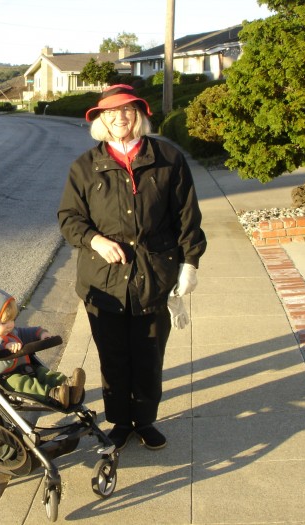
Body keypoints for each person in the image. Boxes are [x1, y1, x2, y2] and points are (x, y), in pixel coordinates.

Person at [57, 84, 206, 451]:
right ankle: (121, 422)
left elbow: (187, 218)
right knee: (114, 356)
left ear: (138, 115)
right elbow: (69, 218)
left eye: (126, 110)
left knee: (149, 354)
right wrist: (95, 240)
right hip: (104, 283)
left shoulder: (168, 159)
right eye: (111, 112)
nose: (119, 117)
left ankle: (146, 421)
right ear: (101, 120)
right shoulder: (86, 166)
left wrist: (189, 265)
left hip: (154, 276)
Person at [0, 280, 85, 409]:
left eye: (12, 320)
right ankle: (53, 395)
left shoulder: (11, 331)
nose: (10, 325)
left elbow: (24, 333)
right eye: (4, 322)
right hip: (8, 378)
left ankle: (69, 384)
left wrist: (40, 333)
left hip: (28, 368)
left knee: (45, 373)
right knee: (27, 384)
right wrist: (5, 347)